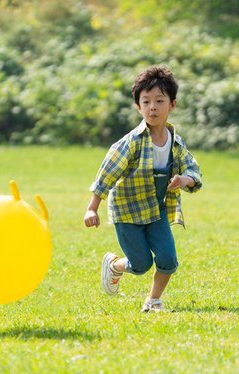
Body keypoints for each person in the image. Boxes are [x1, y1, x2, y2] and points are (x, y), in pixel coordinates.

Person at [84, 65, 202, 312]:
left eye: (160, 100)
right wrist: (92, 208)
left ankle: (153, 300)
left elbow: (193, 170)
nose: (153, 107)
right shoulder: (131, 143)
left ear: (172, 105)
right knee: (140, 264)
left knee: (168, 260)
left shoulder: (175, 143)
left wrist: (185, 179)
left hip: (155, 210)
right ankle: (114, 266)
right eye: (146, 102)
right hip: (127, 212)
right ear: (138, 107)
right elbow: (107, 173)